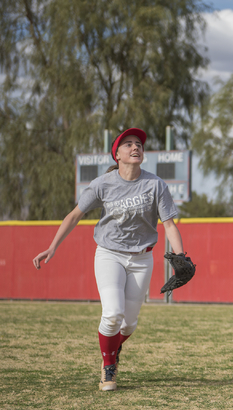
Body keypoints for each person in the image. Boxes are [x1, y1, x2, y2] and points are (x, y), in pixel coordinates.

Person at [33, 128, 185, 391]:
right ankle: (108, 368)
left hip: (142, 258)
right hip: (109, 254)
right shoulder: (103, 184)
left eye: (139, 143)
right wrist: (52, 247)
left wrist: (181, 256)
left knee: (129, 323)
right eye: (128, 144)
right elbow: (74, 215)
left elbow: (169, 225)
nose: (135, 147)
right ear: (117, 155)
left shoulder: (155, 184)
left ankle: (112, 351)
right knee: (113, 314)